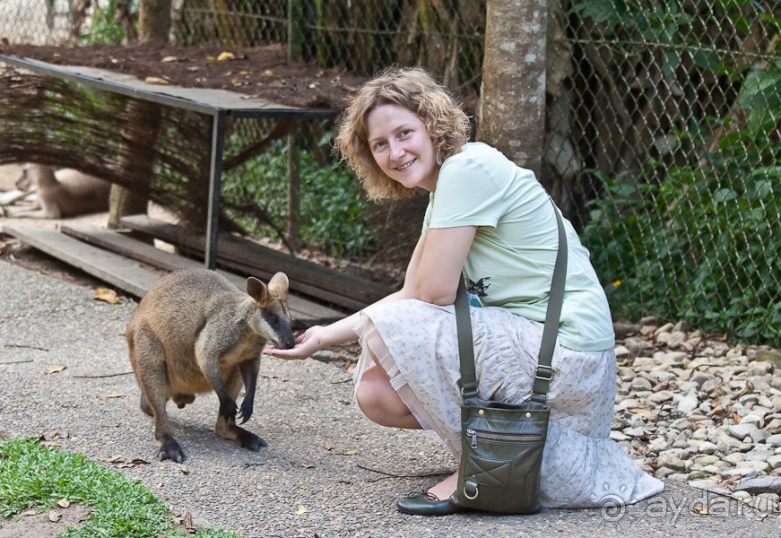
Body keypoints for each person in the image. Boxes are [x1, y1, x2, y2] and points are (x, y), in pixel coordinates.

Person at [264, 66, 663, 515]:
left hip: (569, 355)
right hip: (539, 350)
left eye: (404, 133)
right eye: (380, 144)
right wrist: (323, 334)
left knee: (390, 330)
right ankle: (496, 452)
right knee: (375, 390)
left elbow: (429, 295)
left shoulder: (468, 168)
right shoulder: (445, 190)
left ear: (432, 125)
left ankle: (480, 469)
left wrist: (369, 327)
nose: (395, 152)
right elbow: (411, 291)